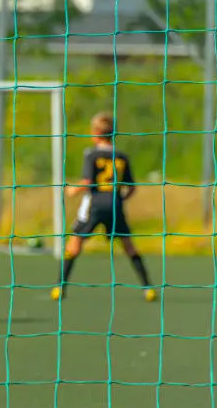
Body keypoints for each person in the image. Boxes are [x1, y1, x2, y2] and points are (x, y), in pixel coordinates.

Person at [53, 112, 156, 302]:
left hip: (95, 204)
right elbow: (132, 188)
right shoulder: (121, 156)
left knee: (74, 243)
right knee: (129, 247)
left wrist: (72, 190)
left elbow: (87, 181)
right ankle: (148, 288)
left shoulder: (91, 154)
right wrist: (119, 200)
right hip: (115, 204)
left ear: (97, 132)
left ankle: (60, 287)